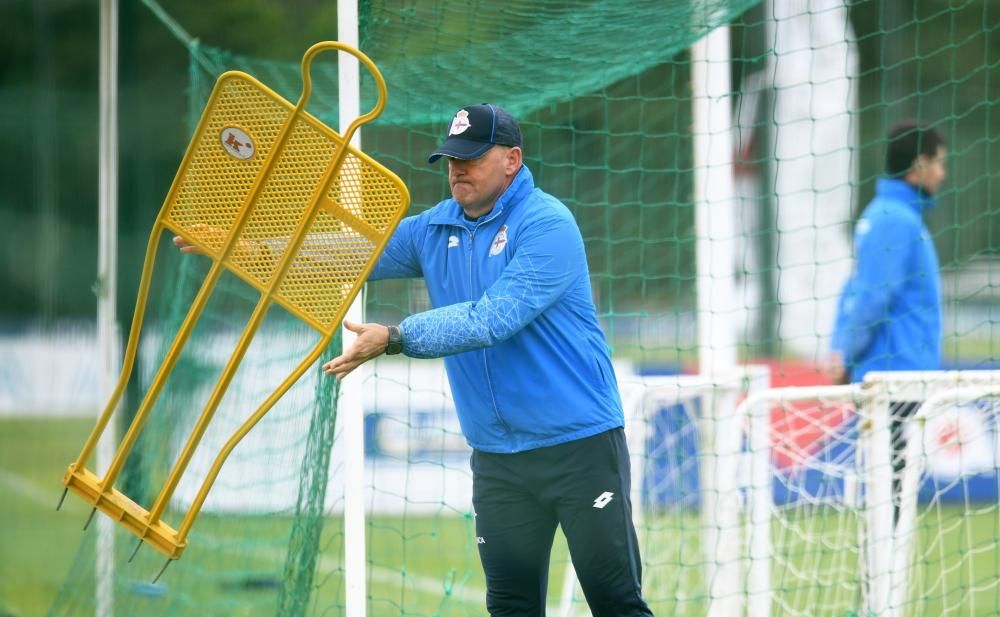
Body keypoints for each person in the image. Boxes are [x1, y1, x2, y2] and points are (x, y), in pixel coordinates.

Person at [179, 104, 653, 616]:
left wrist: (395, 337)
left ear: (512, 159)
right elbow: (348, 254)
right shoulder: (434, 227)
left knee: (615, 603)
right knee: (511, 608)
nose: (456, 167)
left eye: (471, 156)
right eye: (450, 157)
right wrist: (250, 248)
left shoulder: (547, 224)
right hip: (496, 458)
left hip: (578, 447)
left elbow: (489, 321)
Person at [826, 121, 947, 523]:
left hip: (896, 379)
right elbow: (871, 298)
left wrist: (842, 347)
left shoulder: (890, 216)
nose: (942, 174)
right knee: (889, 506)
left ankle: (881, 585)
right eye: (939, 162)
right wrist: (845, 353)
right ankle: (880, 586)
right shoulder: (895, 219)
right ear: (919, 164)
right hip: (893, 381)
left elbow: (856, 290)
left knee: (888, 502)